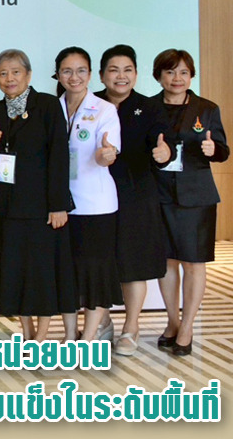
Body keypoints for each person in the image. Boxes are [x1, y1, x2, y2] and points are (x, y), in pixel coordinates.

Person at [0, 49, 75, 342]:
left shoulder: (47, 105)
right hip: (8, 205)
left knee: (40, 273)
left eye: (15, 72)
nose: (9, 78)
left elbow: (59, 156)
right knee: (15, 271)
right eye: (3, 73)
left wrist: (58, 205)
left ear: (29, 74)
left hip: (41, 206)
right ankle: (26, 331)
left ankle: (41, 337)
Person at [96, 44, 173, 356]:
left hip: (136, 195)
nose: (121, 76)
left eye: (127, 70)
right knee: (97, 261)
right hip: (95, 195)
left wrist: (165, 154)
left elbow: (164, 142)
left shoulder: (149, 107)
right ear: (101, 75)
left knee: (134, 264)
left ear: (136, 75)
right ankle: (101, 323)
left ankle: (131, 327)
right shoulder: (90, 103)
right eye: (113, 70)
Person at [152, 49, 229, 357]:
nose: (177, 78)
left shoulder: (206, 108)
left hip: (196, 197)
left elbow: (223, 149)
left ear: (191, 76)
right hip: (158, 194)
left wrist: (213, 149)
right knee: (166, 262)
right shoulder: (148, 108)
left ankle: (187, 327)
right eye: (170, 72)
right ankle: (173, 322)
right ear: (159, 76)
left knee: (194, 263)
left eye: (184, 72)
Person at [54, 47, 123, 342]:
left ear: (91, 74)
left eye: (81, 70)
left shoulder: (104, 109)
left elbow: (107, 151)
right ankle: (70, 334)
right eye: (67, 71)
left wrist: (106, 155)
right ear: (58, 75)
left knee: (96, 274)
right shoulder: (51, 108)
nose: (75, 77)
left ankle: (90, 336)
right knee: (66, 273)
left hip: (96, 206)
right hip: (60, 205)